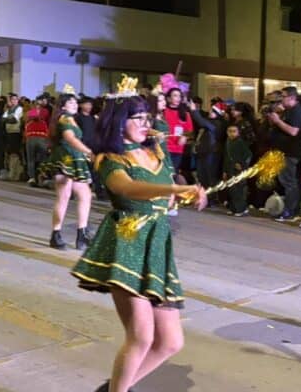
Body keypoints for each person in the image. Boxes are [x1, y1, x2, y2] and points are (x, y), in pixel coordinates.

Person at [70, 82, 206, 392]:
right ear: (119, 121)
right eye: (139, 118)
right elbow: (127, 188)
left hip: (157, 245)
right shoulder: (109, 158)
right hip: (128, 243)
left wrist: (187, 195)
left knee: (170, 341)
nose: (147, 124)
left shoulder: (156, 151)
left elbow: (166, 198)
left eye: (148, 117)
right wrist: (174, 188)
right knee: (141, 337)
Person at [39, 92, 95, 250]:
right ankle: (56, 234)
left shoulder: (71, 118)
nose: (75, 105)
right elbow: (70, 138)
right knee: (64, 196)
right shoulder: (64, 118)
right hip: (65, 159)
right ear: (63, 106)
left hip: (75, 159)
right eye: (71, 102)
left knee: (85, 195)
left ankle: (81, 234)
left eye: (76, 102)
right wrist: (89, 152)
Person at [269, 86, 301, 222]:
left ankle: (290, 211)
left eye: (283, 96)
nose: (281, 99)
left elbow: (293, 131)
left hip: (292, 152)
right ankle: (287, 208)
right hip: (284, 151)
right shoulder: (288, 110)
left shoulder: (297, 111)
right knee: (285, 180)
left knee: (290, 182)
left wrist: (278, 121)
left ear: (292, 98)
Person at [223, 123, 252, 217]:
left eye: (234, 131)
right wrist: (224, 171)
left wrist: (242, 165)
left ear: (238, 133)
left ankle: (241, 209)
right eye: (230, 131)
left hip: (238, 170)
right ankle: (234, 208)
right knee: (232, 189)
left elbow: (248, 155)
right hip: (230, 169)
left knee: (239, 190)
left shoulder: (240, 142)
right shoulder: (228, 142)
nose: (231, 133)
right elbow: (226, 157)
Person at [161, 87, 193, 172]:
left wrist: (185, 137)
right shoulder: (163, 112)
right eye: (175, 95)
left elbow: (189, 131)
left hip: (178, 150)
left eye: (179, 96)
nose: (178, 98)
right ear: (168, 98)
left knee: (173, 173)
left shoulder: (185, 114)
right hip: (164, 148)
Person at [1, 93, 24, 180]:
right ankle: (12, 172)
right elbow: (2, 119)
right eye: (12, 99)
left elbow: (14, 120)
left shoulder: (19, 108)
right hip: (9, 132)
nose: (14, 101)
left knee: (15, 153)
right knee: (10, 153)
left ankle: (15, 174)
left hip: (16, 132)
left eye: (15, 99)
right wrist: (8, 118)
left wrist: (8, 119)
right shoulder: (9, 109)